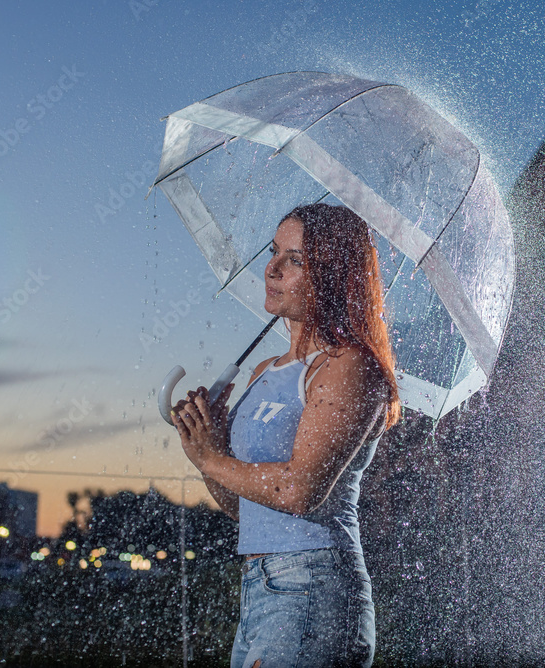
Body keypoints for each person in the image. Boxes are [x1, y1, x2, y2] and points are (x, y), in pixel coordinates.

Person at [170, 203, 400, 668]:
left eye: (295, 260)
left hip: (314, 583)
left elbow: (298, 491)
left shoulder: (347, 367)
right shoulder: (262, 371)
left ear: (333, 275)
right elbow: (244, 506)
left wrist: (213, 460)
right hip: (260, 583)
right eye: (274, 252)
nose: (271, 268)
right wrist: (205, 448)